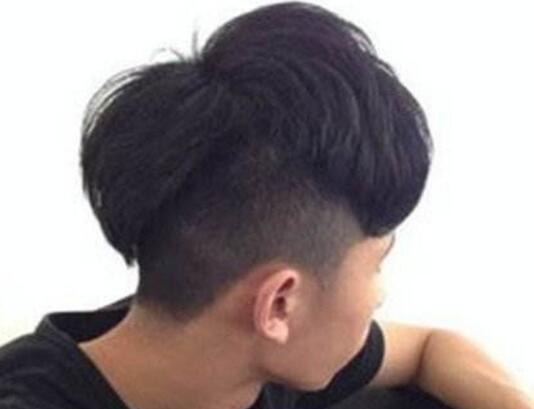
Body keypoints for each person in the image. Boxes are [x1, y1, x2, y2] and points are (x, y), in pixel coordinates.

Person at [1, 2, 531, 409]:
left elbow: (432, 348)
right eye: (377, 265)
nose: (380, 295)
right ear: (279, 304)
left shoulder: (236, 351)